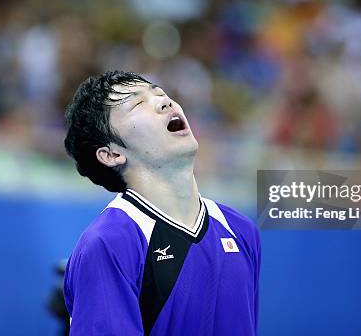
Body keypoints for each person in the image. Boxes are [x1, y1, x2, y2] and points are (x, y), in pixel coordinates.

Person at [62, 71, 261, 335]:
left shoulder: (240, 229)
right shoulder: (110, 242)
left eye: (160, 93)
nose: (165, 102)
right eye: (137, 103)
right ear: (111, 154)